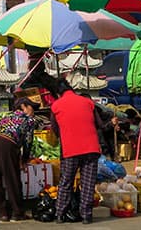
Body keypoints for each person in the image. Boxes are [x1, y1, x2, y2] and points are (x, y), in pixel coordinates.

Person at [50, 80, 103, 225]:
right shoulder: (87, 102)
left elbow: (55, 128)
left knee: (66, 181)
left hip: (70, 149)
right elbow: (99, 124)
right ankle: (86, 216)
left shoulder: (56, 106)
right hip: (91, 147)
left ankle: (60, 214)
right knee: (88, 182)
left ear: (58, 94)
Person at [0, 97, 41, 222]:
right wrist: (24, 159)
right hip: (5, 143)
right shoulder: (28, 120)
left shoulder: (5, 117)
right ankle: (17, 212)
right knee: (12, 179)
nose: (34, 111)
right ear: (24, 107)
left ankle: (2, 213)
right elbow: (28, 142)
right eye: (32, 107)